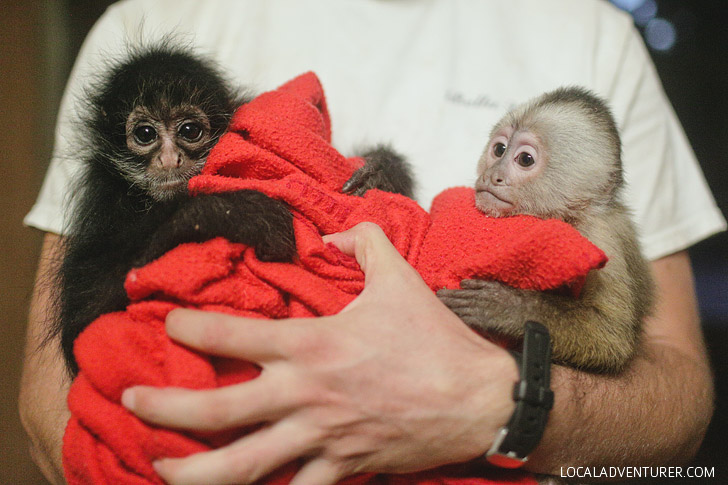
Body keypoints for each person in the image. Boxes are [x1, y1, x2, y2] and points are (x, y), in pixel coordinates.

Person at [20, 0, 725, 484]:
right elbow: (51, 397)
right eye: (497, 146)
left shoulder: (592, 36)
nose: (492, 171)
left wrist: (501, 404)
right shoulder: (149, 23)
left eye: (522, 158)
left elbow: (677, 402)